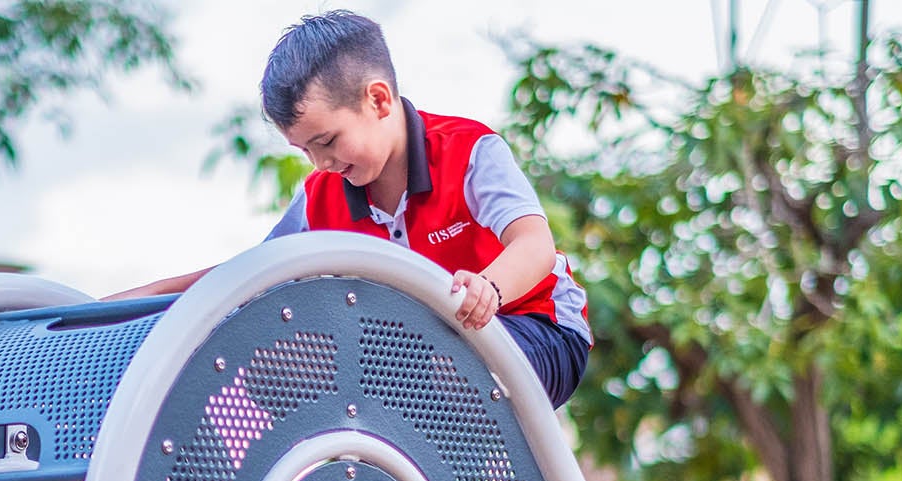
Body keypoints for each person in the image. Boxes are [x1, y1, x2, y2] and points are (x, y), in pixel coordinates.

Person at [112, 10, 591, 408]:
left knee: (449, 367)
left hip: (535, 325)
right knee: (271, 367)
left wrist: (487, 287)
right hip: (418, 350)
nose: (320, 163)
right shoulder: (322, 194)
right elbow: (252, 277)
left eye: (327, 141)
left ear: (378, 100)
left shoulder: (468, 151)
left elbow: (534, 245)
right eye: (305, 151)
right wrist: (152, 296)